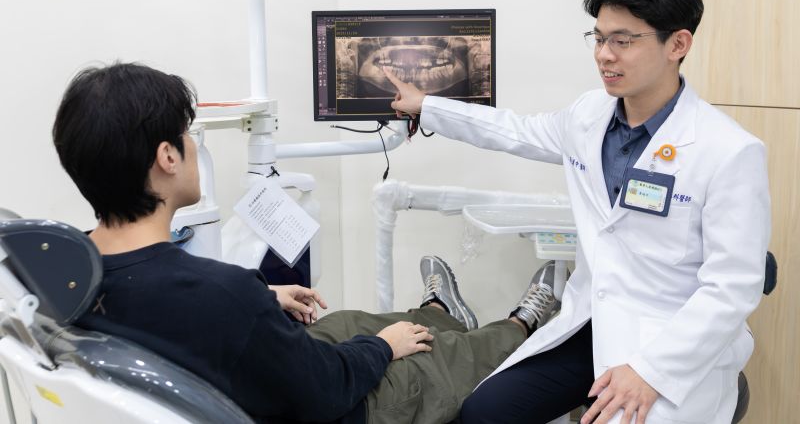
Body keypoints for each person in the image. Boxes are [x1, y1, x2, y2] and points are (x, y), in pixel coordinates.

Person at [51, 62, 560, 424]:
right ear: (167, 157)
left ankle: (440, 311)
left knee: (346, 322)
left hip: (246, 382)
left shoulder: (63, 276)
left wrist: (261, 297)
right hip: (333, 407)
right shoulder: (222, 294)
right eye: (187, 134)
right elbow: (326, 392)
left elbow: (170, 306)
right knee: (437, 356)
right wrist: (383, 348)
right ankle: (521, 325)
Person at [383, 0, 771, 424]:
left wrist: (651, 371)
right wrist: (427, 106)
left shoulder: (728, 151)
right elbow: (515, 130)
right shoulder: (589, 115)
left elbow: (732, 287)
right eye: (599, 38)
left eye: (623, 40)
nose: (604, 55)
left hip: (671, 341)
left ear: (677, 45)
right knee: (483, 413)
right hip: (591, 321)